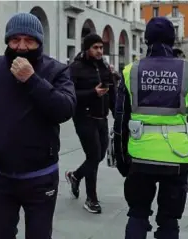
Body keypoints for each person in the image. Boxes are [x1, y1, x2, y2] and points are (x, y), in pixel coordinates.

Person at [0, 13, 76, 238]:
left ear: (39, 41)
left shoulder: (56, 70)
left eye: (29, 40)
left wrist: (32, 80)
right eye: (15, 40)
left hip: (40, 176)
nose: (21, 46)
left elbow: (65, 110)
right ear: (7, 41)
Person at [113, 17, 188, 239]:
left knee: (137, 214)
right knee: (169, 221)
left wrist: (121, 159)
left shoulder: (131, 71)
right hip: (177, 157)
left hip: (140, 156)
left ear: (146, 40)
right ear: (173, 40)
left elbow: (120, 119)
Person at [65, 33, 116, 214]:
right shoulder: (75, 68)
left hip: (101, 117)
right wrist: (92, 93)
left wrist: (117, 114)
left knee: (100, 155)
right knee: (94, 156)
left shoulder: (104, 67)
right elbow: (70, 94)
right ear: (87, 49)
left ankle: (75, 176)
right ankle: (91, 199)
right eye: (95, 47)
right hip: (83, 118)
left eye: (101, 47)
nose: (99, 51)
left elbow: (111, 91)